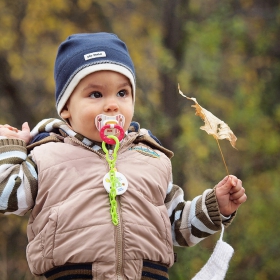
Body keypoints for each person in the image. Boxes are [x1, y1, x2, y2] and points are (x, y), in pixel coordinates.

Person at [0, 32, 247, 279]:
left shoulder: (152, 159)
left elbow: (176, 226)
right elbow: (5, 196)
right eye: (96, 94)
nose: (112, 105)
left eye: (122, 93)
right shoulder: (47, 156)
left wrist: (215, 208)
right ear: (65, 107)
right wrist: (10, 146)